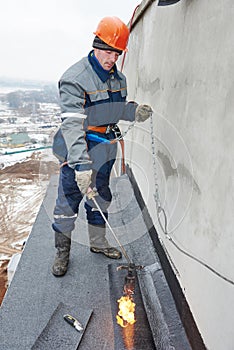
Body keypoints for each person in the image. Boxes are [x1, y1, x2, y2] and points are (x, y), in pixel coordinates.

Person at [51, 16, 153, 277]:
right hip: (79, 147)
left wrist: (133, 111)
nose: (111, 58)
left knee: (101, 195)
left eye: (116, 53)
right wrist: (80, 164)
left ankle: (97, 243)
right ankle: (62, 252)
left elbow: (115, 108)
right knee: (68, 202)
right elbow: (73, 125)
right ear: (95, 46)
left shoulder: (118, 79)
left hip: (105, 148)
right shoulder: (75, 78)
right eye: (107, 51)